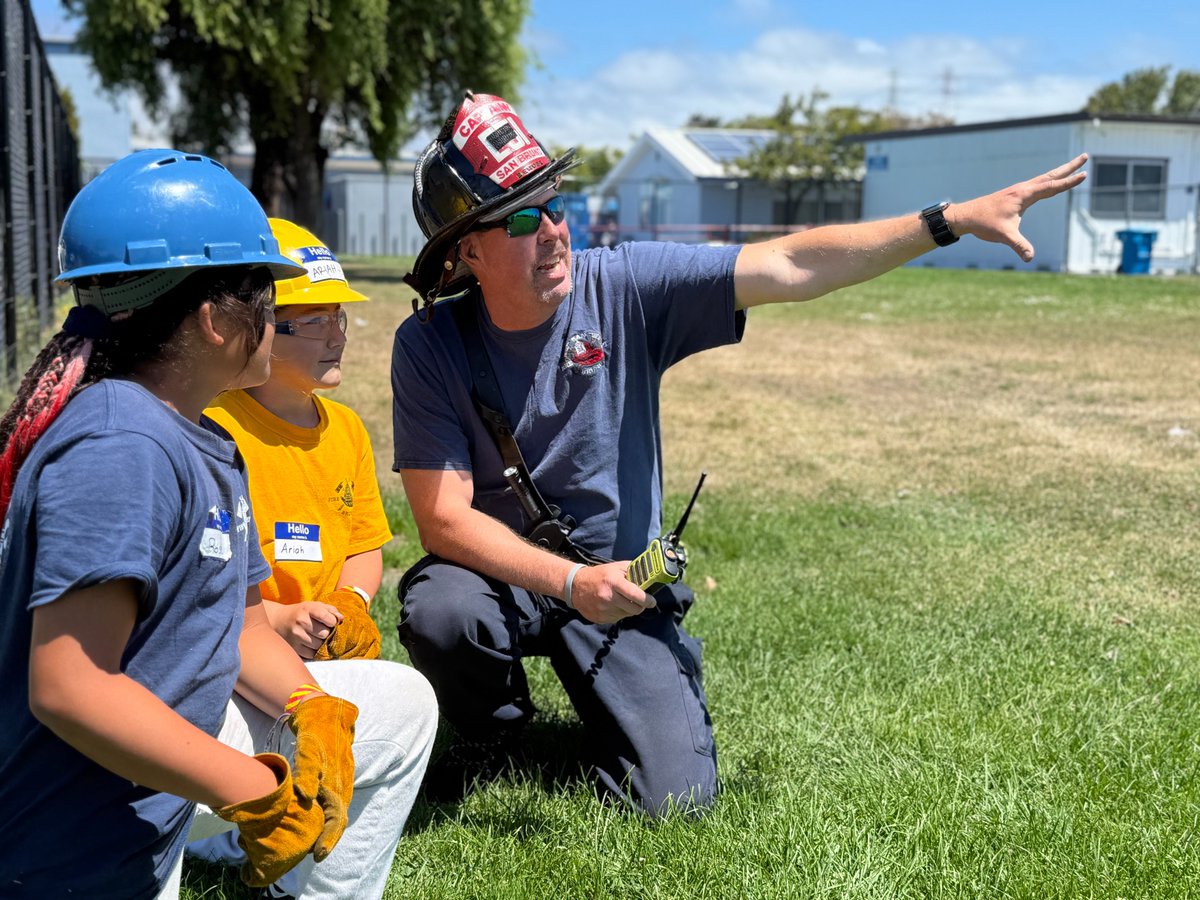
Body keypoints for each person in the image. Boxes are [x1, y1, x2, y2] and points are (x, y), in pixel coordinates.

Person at [390, 91, 1086, 817]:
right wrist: (569, 583)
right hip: (506, 577)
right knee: (443, 609)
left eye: (557, 207)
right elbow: (443, 520)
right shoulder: (430, 344)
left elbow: (789, 264)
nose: (554, 233)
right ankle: (491, 733)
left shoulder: (624, 286)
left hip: (622, 581)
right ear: (467, 249)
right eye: (525, 219)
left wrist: (945, 222)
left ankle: (649, 680)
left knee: (674, 804)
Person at [0, 149, 437, 899]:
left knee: (399, 710)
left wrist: (310, 705)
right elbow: (69, 687)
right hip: (77, 832)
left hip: (166, 762)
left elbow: (237, 626)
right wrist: (255, 791)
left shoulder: (200, 435)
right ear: (212, 319)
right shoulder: (121, 446)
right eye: (267, 294)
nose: (279, 313)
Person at [205, 218, 391, 662]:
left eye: (338, 318)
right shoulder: (214, 431)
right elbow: (204, 580)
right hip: (242, 650)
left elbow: (364, 546)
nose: (339, 336)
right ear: (259, 328)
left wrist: (352, 601)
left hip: (328, 644)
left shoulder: (347, 430)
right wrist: (279, 619)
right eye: (315, 322)